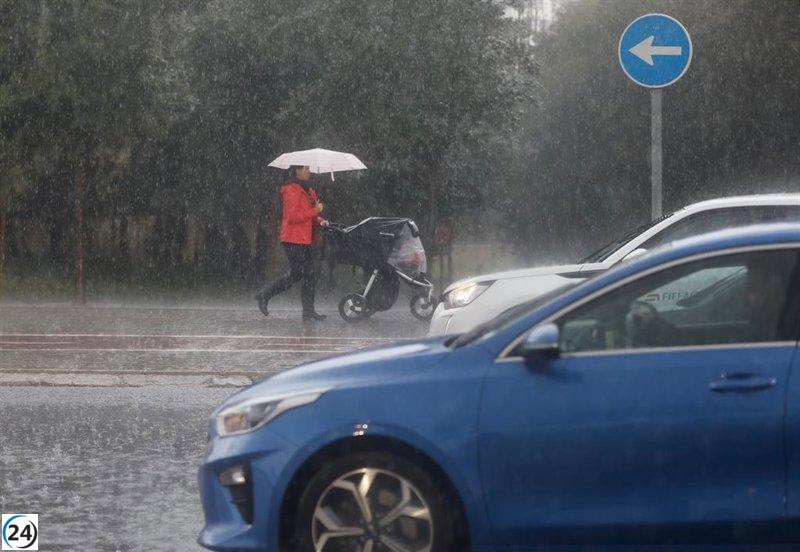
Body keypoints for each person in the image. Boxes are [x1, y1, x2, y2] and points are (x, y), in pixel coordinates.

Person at [255, 165, 329, 320]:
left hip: (305, 239)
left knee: (306, 275)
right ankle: (265, 295)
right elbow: (293, 217)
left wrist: (320, 220)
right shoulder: (291, 190)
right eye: (305, 168)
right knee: (303, 274)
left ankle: (307, 311)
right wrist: (315, 211)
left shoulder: (310, 191)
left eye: (309, 168)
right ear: (297, 171)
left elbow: (311, 217)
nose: (309, 171)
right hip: (292, 239)